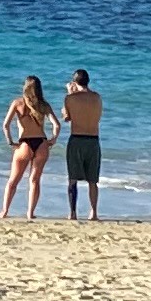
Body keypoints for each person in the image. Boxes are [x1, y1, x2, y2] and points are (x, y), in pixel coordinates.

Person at [0, 75, 56, 218]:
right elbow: (57, 125)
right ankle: (30, 213)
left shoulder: (18, 103)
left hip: (24, 143)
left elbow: (6, 125)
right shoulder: (44, 105)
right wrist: (53, 140)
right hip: (41, 143)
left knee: (13, 181)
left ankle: (4, 211)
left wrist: (11, 142)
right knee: (35, 180)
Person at [61, 67, 104, 218]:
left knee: (73, 179)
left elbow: (67, 117)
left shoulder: (70, 98)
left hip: (77, 138)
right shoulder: (97, 97)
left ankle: (72, 212)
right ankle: (94, 212)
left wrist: (70, 93)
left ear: (74, 82)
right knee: (93, 180)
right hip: (93, 139)